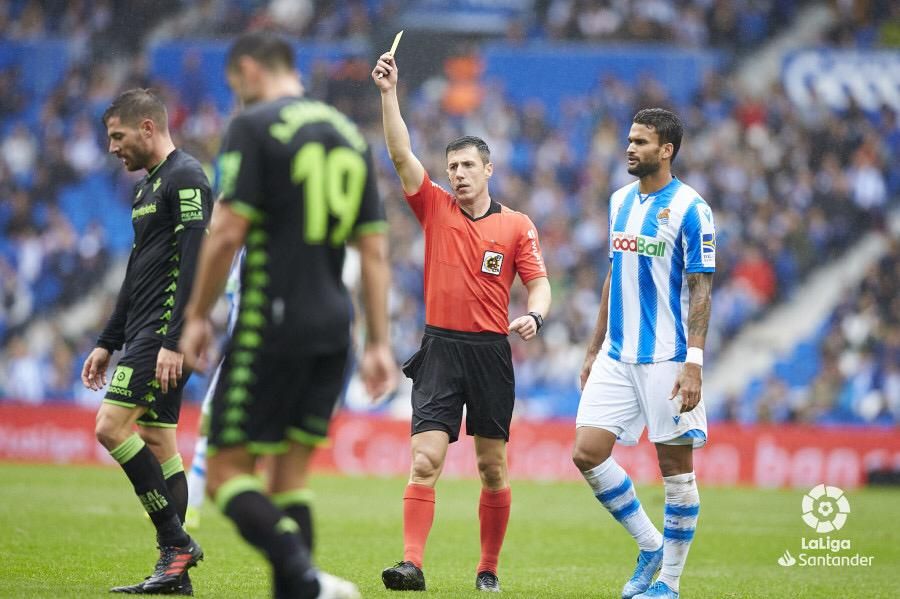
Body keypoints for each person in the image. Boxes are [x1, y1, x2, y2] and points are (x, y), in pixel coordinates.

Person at [179, 32, 395, 599]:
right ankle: (301, 591)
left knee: (225, 473)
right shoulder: (351, 136)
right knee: (288, 480)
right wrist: (377, 341)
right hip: (335, 329)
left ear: (249, 70)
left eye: (234, 88)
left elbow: (226, 230)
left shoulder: (255, 127)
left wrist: (197, 315)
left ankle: (307, 579)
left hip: (270, 322)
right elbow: (373, 251)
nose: (237, 100)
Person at [371, 53, 552, 593]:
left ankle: (488, 567)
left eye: (468, 165)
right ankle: (411, 564)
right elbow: (400, 151)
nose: (458, 174)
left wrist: (535, 315)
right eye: (452, 167)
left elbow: (539, 283)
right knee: (424, 460)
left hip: (491, 352)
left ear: (489, 169)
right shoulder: (434, 207)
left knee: (492, 468)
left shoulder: (517, 225)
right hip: (441, 349)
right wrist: (389, 93)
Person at [572, 108, 715, 599]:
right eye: (629, 140)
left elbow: (700, 290)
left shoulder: (692, 209)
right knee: (586, 453)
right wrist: (593, 350)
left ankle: (669, 584)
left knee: (675, 471)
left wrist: (693, 364)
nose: (629, 148)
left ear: (666, 149)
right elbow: (614, 276)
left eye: (640, 142)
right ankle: (650, 544)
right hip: (617, 353)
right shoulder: (619, 202)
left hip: (668, 358)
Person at [81, 88, 210, 595]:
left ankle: (176, 543)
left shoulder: (187, 178)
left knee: (110, 427)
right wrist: (106, 340)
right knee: (157, 441)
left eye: (118, 136)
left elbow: (198, 262)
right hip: (142, 333)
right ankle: (174, 573)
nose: (113, 147)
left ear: (148, 128)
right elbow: (137, 272)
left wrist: (176, 339)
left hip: (163, 334)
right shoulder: (147, 189)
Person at [184, 250, 243, 532]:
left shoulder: (256, 250)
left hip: (249, 354)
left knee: (211, 423)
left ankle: (190, 502)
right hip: (236, 351)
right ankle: (190, 502)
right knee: (209, 424)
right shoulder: (240, 255)